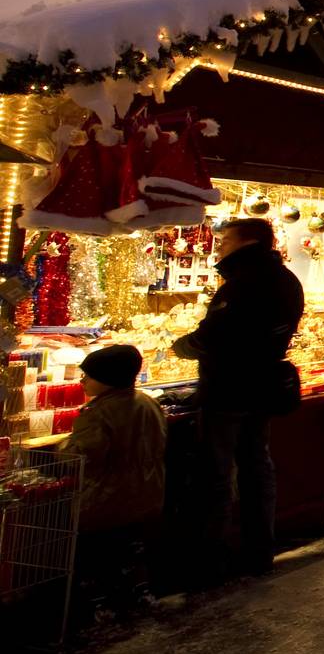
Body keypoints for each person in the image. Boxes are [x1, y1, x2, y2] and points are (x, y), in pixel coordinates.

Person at [171, 216, 303, 579]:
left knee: (216, 472)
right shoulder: (285, 280)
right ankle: (259, 550)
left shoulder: (243, 283)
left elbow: (215, 334)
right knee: (256, 466)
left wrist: (182, 347)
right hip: (263, 386)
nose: (220, 246)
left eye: (226, 239)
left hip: (229, 388)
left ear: (245, 242)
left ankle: (206, 558)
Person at [65, 343, 165, 621]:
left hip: (107, 499)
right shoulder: (147, 402)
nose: (82, 380)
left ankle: (101, 604)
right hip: (147, 492)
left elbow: (83, 455)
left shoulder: (98, 414)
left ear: (107, 379)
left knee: (97, 553)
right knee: (132, 548)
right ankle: (140, 592)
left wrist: (61, 451)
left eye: (87, 375)